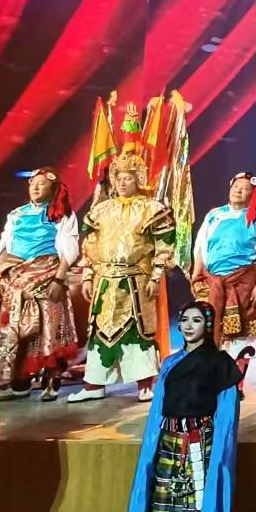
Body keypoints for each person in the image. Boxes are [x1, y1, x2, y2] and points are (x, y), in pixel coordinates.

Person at [115, 300, 246, 512]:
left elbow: (227, 417)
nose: (188, 326)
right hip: (169, 448)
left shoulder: (221, 365)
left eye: (196, 320)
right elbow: (158, 411)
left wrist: (218, 457)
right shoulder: (171, 363)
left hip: (200, 449)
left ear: (208, 325)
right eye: (184, 319)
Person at [68, 151, 176, 403]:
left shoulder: (152, 209)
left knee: (138, 331)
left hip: (135, 281)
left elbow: (164, 245)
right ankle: (94, 385)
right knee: (99, 331)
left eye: (128, 177)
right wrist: (87, 275)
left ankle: (145, 384)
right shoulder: (101, 210)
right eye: (118, 178)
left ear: (138, 179)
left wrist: (156, 276)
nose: (122, 182)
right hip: (105, 281)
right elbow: (90, 245)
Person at [0, 167, 80, 400]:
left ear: (53, 187)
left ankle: (52, 378)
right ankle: (17, 381)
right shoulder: (16, 215)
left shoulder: (60, 214)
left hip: (48, 273)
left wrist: (59, 279)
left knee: (49, 327)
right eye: (33, 184)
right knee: (14, 329)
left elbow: (68, 248)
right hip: (16, 277)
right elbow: (4, 247)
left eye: (42, 184)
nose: (36, 187)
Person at [190, 172, 256, 357]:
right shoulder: (214, 215)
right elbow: (202, 245)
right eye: (236, 187)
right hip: (213, 280)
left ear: (253, 193)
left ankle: (238, 372)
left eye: (245, 188)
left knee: (239, 343)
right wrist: (196, 273)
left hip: (243, 281)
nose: (238, 191)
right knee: (207, 326)